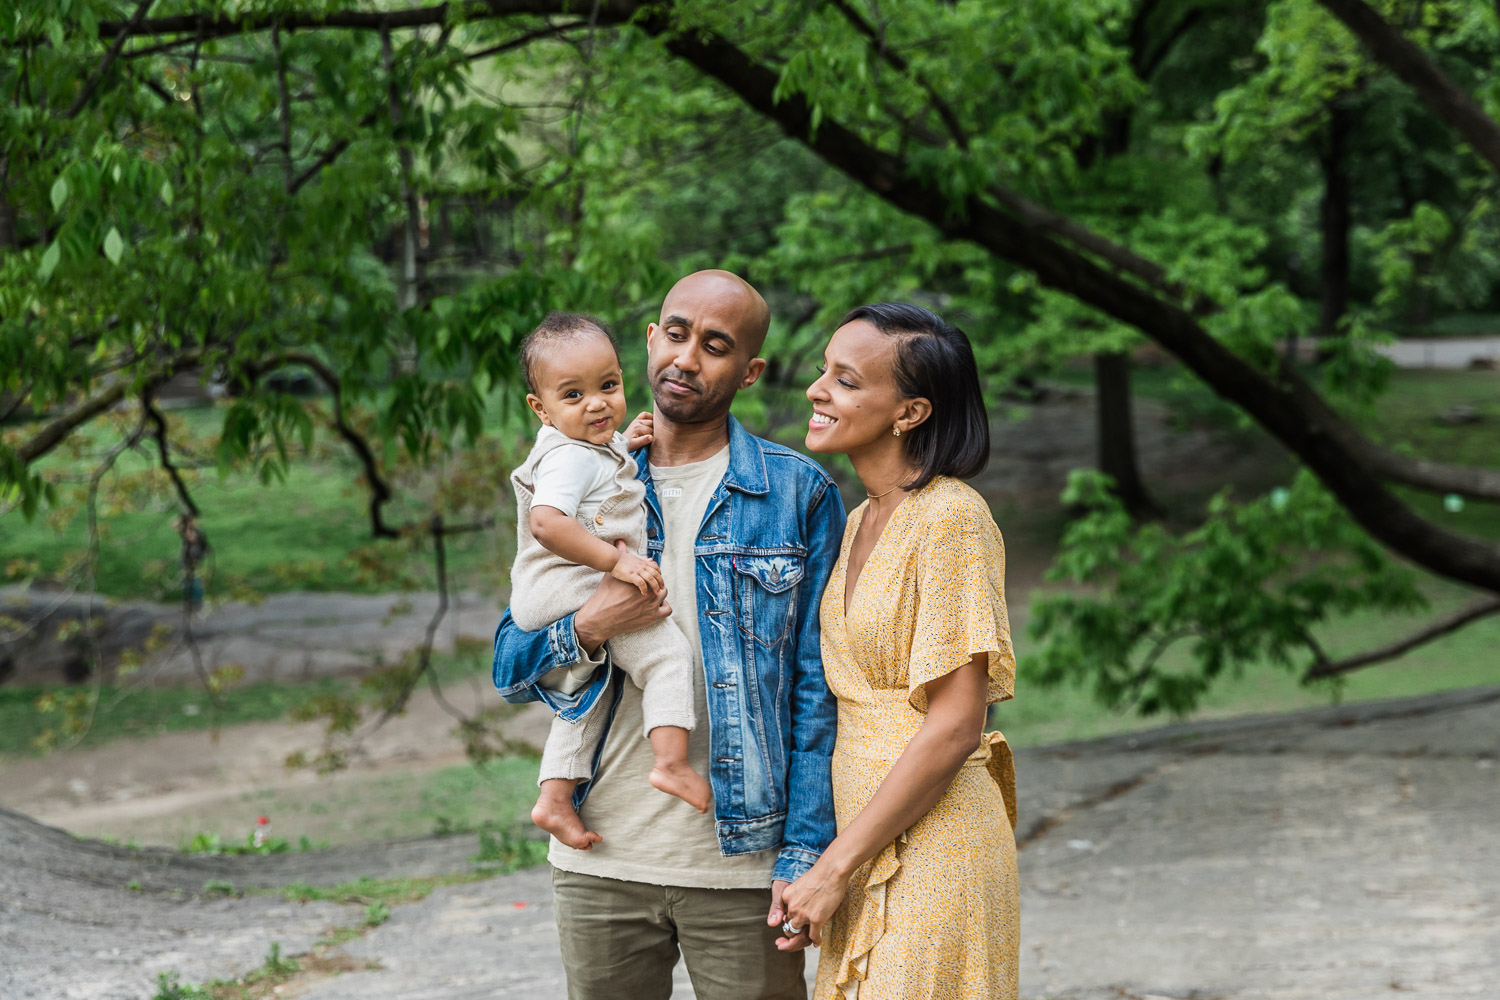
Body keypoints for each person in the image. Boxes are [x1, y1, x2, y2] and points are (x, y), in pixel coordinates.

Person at [492, 270, 846, 1000]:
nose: (687, 358)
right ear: (652, 339)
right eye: (677, 333)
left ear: (749, 371)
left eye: (715, 347)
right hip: (602, 860)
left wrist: (805, 852)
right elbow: (510, 663)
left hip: (740, 864)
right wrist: (590, 625)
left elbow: (818, 690)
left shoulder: (797, 494)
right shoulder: (584, 475)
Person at [779, 302, 1019, 999]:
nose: (816, 390)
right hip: (859, 839)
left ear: (909, 412)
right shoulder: (859, 520)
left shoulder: (952, 518)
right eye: (825, 371)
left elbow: (954, 726)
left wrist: (832, 870)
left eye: (846, 380)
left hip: (936, 842)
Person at [509, 311, 709, 852]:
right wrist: (615, 563)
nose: (597, 404)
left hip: (550, 589)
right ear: (541, 409)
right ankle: (671, 762)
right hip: (562, 581)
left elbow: (603, 474)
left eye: (608, 386)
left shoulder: (589, 447)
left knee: (593, 692)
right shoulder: (569, 459)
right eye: (573, 395)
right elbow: (547, 522)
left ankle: (555, 797)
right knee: (667, 656)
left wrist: (627, 443)